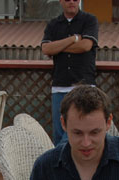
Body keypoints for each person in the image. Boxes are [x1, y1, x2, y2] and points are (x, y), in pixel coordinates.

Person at [41, 0, 98, 145]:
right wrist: (73, 39)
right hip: (60, 86)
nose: (71, 2)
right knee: (60, 134)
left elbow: (86, 46)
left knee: (83, 131)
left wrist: (58, 47)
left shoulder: (89, 20)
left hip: (84, 86)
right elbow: (46, 49)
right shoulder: (53, 24)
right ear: (61, 1)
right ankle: (61, 166)